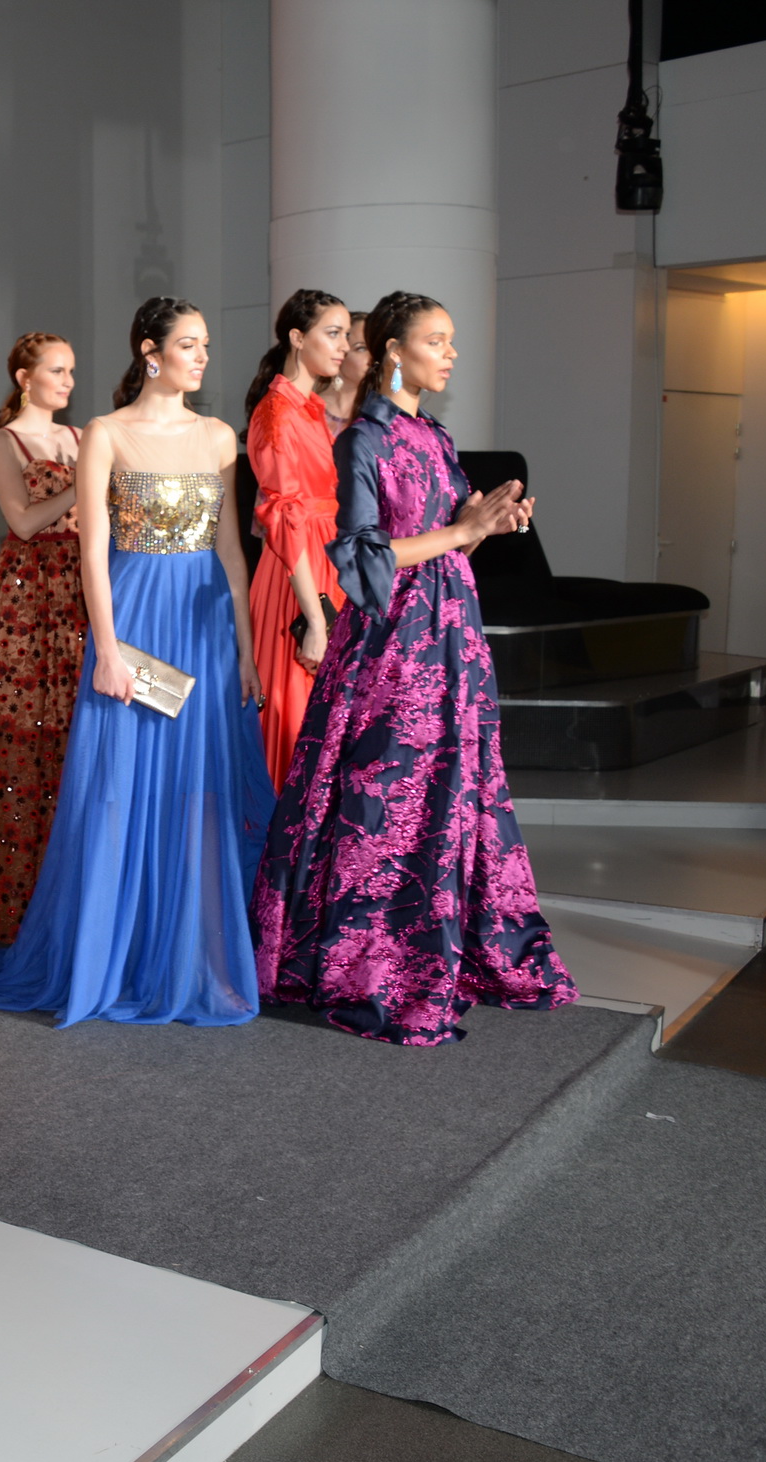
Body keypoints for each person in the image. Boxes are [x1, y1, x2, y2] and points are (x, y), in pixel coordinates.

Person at [251, 291, 577, 1045]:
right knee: (388, 795)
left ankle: (446, 954)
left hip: (452, 632)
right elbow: (363, 561)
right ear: (394, 351)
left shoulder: (434, 434)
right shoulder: (361, 440)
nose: (451, 353)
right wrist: (459, 532)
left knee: (452, 788)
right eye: (437, 340)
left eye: (451, 340)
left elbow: (450, 538)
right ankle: (376, 965)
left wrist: (487, 524)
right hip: (394, 644)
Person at [0, 297, 273, 1027]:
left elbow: (232, 551)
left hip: (203, 625)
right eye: (188, 344)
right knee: (121, 783)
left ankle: (183, 955)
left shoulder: (219, 436)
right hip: (135, 618)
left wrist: (244, 649)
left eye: (205, 344)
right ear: (151, 351)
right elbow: (91, 551)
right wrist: (107, 652)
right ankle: (113, 954)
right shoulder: (106, 434)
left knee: (197, 789)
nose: (202, 356)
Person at [0, 332, 86, 945]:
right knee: (19, 732)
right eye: (56, 371)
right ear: (24, 378)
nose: (67, 382)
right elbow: (24, 520)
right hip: (27, 593)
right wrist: (85, 483)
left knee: (73, 727)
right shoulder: (4, 440)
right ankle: (13, 900)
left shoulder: (81, 437)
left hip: (80, 586)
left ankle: (72, 889)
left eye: (71, 372)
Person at [244, 290, 352, 788]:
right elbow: (284, 517)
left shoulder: (308, 408)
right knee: (296, 722)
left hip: (326, 566)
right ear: (297, 337)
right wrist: (315, 620)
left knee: (325, 724)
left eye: (346, 335)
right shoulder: (277, 412)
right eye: (333, 333)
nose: (343, 345)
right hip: (298, 576)